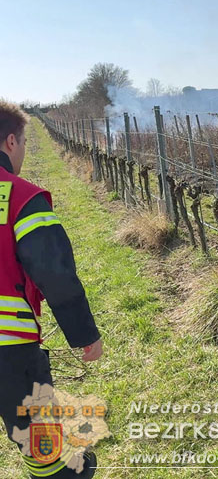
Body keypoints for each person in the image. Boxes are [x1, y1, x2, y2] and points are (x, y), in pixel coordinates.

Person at [0, 101, 103, 478]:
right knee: (36, 433)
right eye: (25, 142)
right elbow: (54, 273)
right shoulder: (21, 198)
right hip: (9, 346)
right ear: (11, 141)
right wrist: (85, 335)